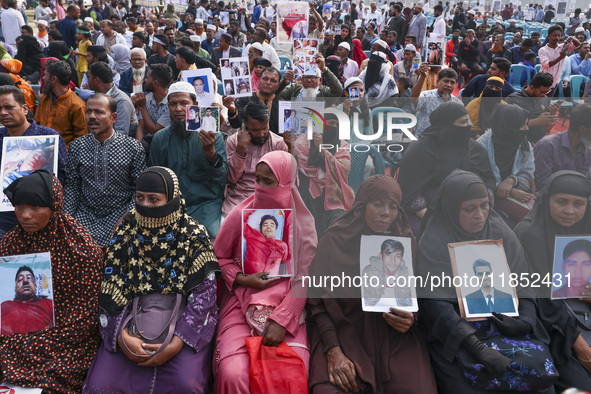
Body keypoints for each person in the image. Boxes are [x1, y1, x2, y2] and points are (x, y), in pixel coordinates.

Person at [82, 166, 220, 393]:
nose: (145, 206)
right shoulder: (126, 231)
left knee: (185, 385)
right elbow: (110, 287)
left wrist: (175, 344)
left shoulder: (193, 234)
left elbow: (204, 297)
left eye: (154, 199)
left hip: (182, 321)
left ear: (172, 200)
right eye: (139, 198)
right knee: (102, 385)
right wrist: (122, 338)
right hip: (129, 318)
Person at [416, 169, 555, 393]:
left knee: (541, 380)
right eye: (469, 209)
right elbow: (435, 305)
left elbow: (524, 282)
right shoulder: (434, 243)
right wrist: (477, 347)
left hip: (506, 324)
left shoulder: (501, 232)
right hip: (458, 332)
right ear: (452, 209)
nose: (480, 214)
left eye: (484, 205)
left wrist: (525, 320)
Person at [307, 175, 436, 393]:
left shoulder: (405, 240)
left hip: (394, 337)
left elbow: (417, 294)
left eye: (393, 207)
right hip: (344, 334)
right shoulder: (335, 240)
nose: (386, 212)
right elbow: (318, 301)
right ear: (362, 206)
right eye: (377, 204)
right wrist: (333, 350)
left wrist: (412, 318)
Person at [213, 151, 317, 393]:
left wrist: (282, 319)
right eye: (258, 180)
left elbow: (305, 277)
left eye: (269, 182)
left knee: (291, 372)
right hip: (240, 303)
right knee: (233, 372)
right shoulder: (240, 214)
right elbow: (219, 257)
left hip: (287, 306)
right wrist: (242, 278)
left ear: (288, 182)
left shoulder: (302, 225)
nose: (260, 188)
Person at [0, 170, 103, 393]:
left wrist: (44, 334)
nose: (25, 215)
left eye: (35, 208)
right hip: (17, 329)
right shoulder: (10, 245)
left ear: (54, 206)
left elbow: (86, 315)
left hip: (66, 334)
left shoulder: (81, 250)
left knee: (53, 370)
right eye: (19, 207)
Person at [515, 171, 591, 392]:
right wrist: (581, 347)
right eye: (561, 202)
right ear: (547, 199)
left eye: (579, 203)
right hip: (549, 325)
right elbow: (541, 299)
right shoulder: (530, 234)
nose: (570, 211)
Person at [398, 102, 495, 236]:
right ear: (446, 125)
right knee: (425, 235)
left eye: (469, 120)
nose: (469, 126)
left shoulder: (471, 147)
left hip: (470, 208)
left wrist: (482, 207)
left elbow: (487, 178)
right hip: (429, 210)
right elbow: (409, 190)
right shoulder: (421, 150)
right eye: (463, 122)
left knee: (493, 232)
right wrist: (433, 218)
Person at [64, 93, 145, 248]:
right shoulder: (77, 146)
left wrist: (127, 216)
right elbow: (72, 187)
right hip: (85, 214)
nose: (92, 116)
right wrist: (67, 218)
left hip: (121, 213)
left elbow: (139, 190)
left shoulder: (133, 147)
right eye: (88, 111)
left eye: (99, 112)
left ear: (113, 117)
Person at [148, 81, 227, 238]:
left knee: (208, 237)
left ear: (195, 105)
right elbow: (154, 179)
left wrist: (210, 152)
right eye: (173, 104)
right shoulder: (159, 138)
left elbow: (222, 177)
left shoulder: (212, 135)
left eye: (184, 103)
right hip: (170, 206)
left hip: (206, 204)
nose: (178, 109)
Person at [222, 100, 287, 217]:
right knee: (227, 228)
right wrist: (240, 149)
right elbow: (231, 179)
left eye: (264, 128)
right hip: (238, 199)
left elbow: (283, 182)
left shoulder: (279, 144)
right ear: (245, 125)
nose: (261, 134)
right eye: (255, 130)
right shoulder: (234, 141)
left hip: (269, 198)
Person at [533, 104, 591, 190]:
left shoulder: (587, 152)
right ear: (582, 129)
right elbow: (543, 185)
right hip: (547, 197)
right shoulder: (548, 145)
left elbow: (581, 182)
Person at [35, 59, 87, 148]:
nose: (43, 78)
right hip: (40, 149)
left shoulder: (77, 105)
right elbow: (36, 125)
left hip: (65, 155)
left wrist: (60, 152)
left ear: (54, 79)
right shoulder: (44, 98)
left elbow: (81, 137)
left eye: (45, 75)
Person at [506, 72, 560, 145]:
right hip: (520, 142)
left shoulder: (545, 98)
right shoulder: (513, 99)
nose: (544, 95)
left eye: (547, 92)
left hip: (540, 140)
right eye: (542, 92)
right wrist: (536, 121)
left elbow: (548, 128)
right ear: (531, 87)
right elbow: (510, 126)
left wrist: (553, 113)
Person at [87, 62, 138, 137]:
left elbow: (121, 135)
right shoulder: (96, 97)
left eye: (89, 77)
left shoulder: (121, 101)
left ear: (96, 80)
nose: (88, 81)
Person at [1, 265, 54, 335]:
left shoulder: (50, 304)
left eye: (29, 278)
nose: (25, 281)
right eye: (20, 279)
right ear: (15, 287)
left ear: (35, 285)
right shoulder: (4, 306)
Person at [411, 66, 462, 136]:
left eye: (452, 82)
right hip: (424, 141)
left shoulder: (457, 103)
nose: (448, 85)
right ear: (437, 81)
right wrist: (422, 77)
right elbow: (413, 99)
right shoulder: (427, 96)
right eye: (446, 81)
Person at [132, 64, 172, 148]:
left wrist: (142, 108)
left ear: (155, 83)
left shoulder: (171, 103)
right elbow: (141, 126)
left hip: (164, 145)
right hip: (147, 143)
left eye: (147, 78)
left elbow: (155, 131)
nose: (145, 80)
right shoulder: (147, 99)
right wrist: (138, 149)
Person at [279, 53, 343, 99]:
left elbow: (338, 91)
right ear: (302, 79)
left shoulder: (324, 92)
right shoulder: (294, 89)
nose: (309, 80)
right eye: (306, 77)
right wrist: (284, 82)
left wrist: (324, 69)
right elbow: (275, 95)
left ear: (320, 80)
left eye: (313, 77)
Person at [539, 25, 580, 96]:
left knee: (548, 102)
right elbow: (547, 65)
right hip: (544, 81)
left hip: (555, 81)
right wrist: (560, 57)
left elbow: (578, 45)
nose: (557, 38)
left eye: (559, 35)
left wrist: (572, 39)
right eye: (554, 35)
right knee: (541, 102)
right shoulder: (543, 50)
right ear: (548, 36)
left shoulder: (563, 47)